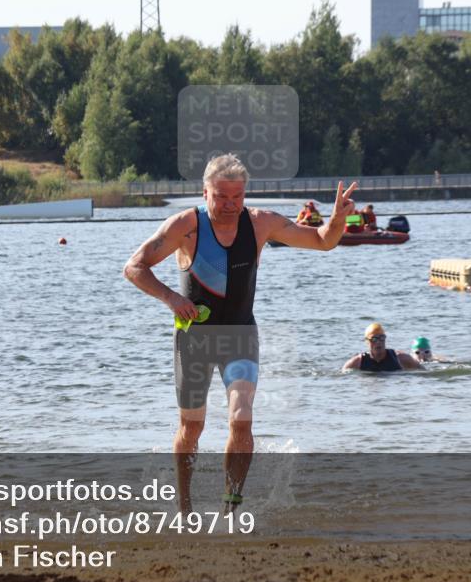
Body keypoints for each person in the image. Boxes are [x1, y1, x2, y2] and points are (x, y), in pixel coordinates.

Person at [124, 153, 357, 513]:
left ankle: (230, 507)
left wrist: (338, 220)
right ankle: (185, 508)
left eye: (237, 196)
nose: (230, 205)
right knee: (191, 428)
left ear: (245, 194)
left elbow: (323, 241)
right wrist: (171, 298)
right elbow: (134, 267)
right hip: (194, 339)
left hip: (240, 336)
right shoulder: (185, 226)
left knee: (241, 416)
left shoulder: (261, 224)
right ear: (205, 194)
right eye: (221, 197)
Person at [342, 323, 422, 372]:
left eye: (382, 338)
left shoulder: (400, 358)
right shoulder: (357, 362)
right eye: (374, 339)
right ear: (367, 341)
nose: (378, 342)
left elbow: (424, 372)